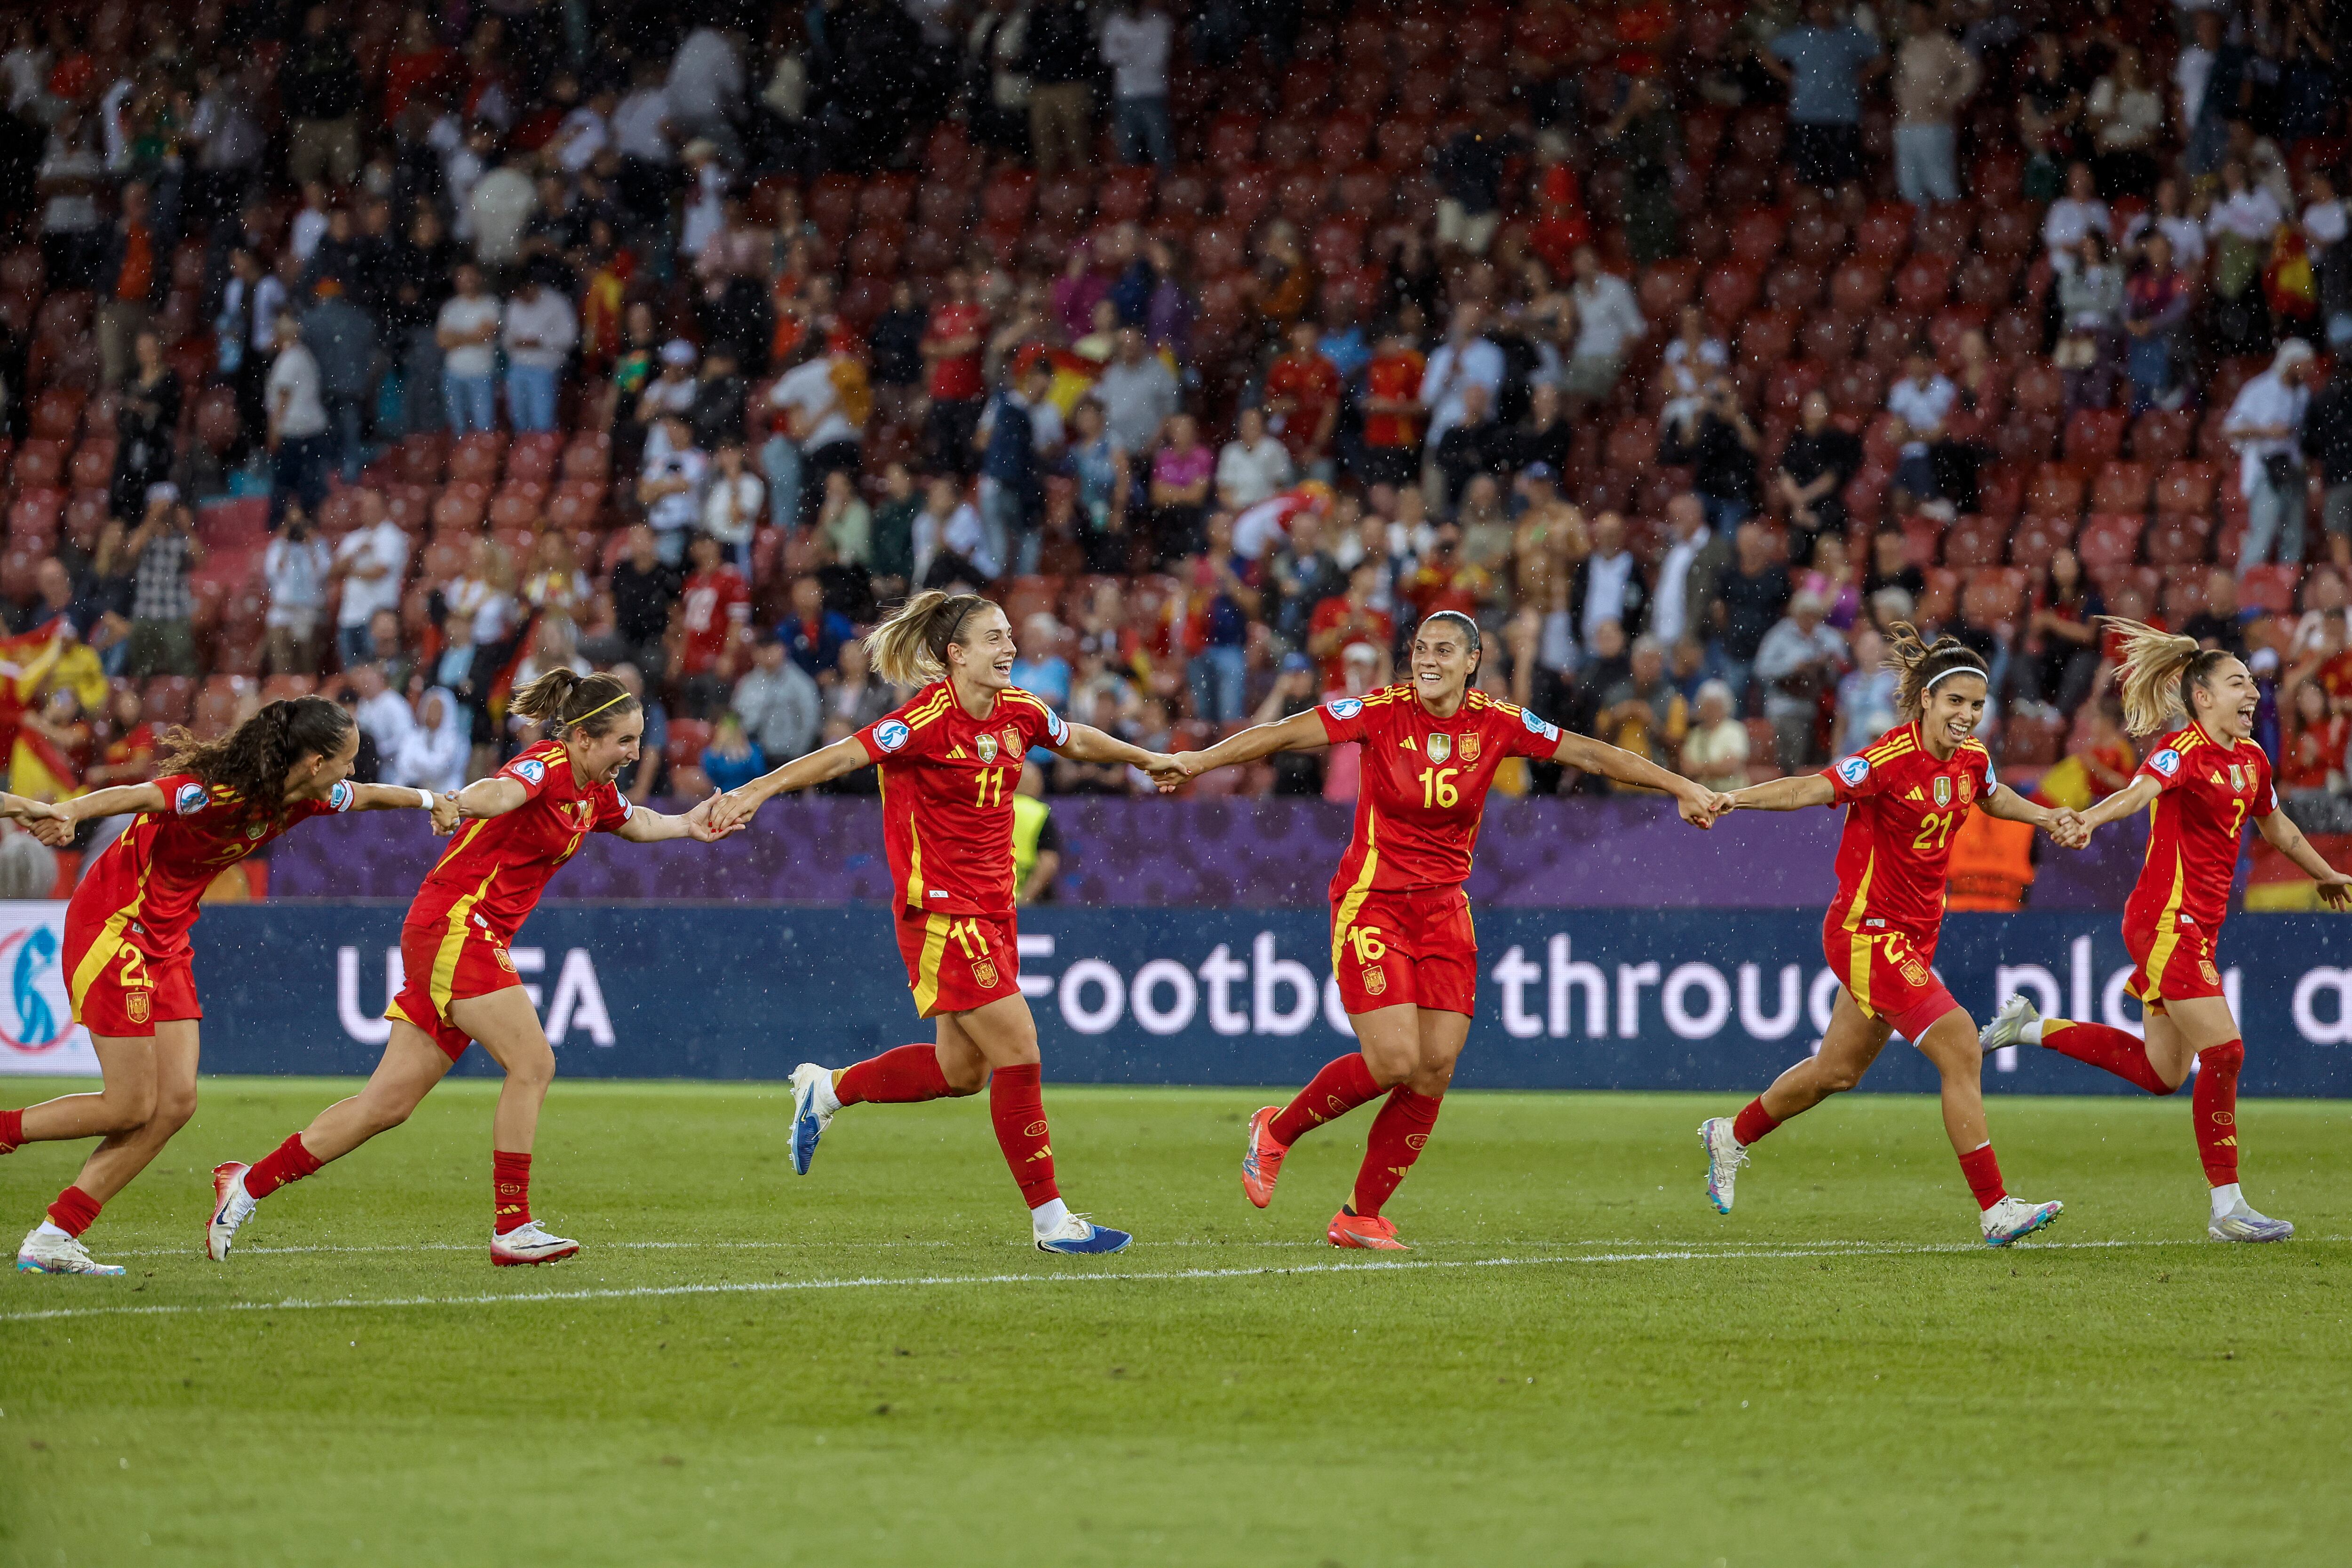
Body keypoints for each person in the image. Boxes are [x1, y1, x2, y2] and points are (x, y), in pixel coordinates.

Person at [1168, 612, 1728, 1249]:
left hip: (1444, 910)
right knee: (1395, 1059)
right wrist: (1198, 761)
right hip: (1374, 901)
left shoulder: (1497, 722)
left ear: (1472, 662)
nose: (1426, 659)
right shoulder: (1381, 710)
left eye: (1443, 650)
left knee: (1434, 1067)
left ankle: (1360, 1214)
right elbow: (1286, 733)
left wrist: (1678, 783)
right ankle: (1275, 1131)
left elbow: (1589, 752)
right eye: (1419, 648)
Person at [205, 673, 739, 1268]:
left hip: (454, 932)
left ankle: (246, 1184)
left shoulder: (593, 788)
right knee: (534, 1063)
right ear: (584, 737)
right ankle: (512, 1226)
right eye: (624, 741)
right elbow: (503, 791)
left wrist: (687, 825)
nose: (635, 754)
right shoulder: (548, 766)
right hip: (457, 923)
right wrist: (457, 803)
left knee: (386, 1106)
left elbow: (635, 822)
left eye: (638, 741)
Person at [706, 592, 1178, 1255]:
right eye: (993, 638)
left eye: (1010, 635)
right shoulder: (926, 719)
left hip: (995, 910)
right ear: (956, 655)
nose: (1009, 647)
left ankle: (827, 1089)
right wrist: (754, 791)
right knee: (1021, 1049)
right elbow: (841, 756)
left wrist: (1141, 758)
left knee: (963, 1073)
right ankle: (1052, 1222)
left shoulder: (1020, 711)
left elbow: (1076, 740)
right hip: (942, 912)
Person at [4, 698, 445, 1275]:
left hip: (167, 938)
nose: (352, 771)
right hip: (116, 927)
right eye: (347, 760)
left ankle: (56, 1235)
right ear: (314, 761)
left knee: (176, 1103)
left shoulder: (307, 798)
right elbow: (140, 794)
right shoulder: (218, 793)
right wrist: (70, 813)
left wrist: (435, 801)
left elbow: (368, 796)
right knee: (130, 1104)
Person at [1697, 627, 2080, 1246]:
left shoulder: (1971, 760)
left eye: (1976, 705)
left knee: (1835, 1072)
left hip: (1915, 936)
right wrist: (1730, 799)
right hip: (1866, 932)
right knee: (1959, 1042)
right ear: (1926, 700)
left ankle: (1730, 1134)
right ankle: (1996, 1208)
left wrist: (2044, 814)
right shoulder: (1887, 759)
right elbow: (1808, 787)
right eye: (1955, 701)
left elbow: (1992, 794)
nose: (1967, 715)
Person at [1996, 625, 2352, 1238]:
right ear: (2202, 697)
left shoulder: (2251, 760)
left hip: (2199, 929)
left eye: (2251, 684)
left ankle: (2029, 1025)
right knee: (2227, 1050)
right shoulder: (2182, 750)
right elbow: (2138, 795)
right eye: (2237, 682)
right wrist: (2087, 817)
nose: (2251, 693)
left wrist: (2325, 873)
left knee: (2161, 1074)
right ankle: (2227, 1207)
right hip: (2165, 921)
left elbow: (2279, 829)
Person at [2226, 339, 2314, 570]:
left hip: (2294, 469)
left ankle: (2288, 590)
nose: (2308, 371)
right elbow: (2230, 429)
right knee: (2262, 536)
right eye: (2304, 365)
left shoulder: (2304, 394)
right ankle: (2247, 594)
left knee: (2294, 538)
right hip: (2265, 470)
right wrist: (2267, 431)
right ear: (2290, 364)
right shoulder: (2259, 389)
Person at [1891, 0, 1977, 207]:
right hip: (1906, 125)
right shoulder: (1907, 46)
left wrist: (1949, 98)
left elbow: (1971, 72)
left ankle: (1950, 232)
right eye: (1911, 15)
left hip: (1934, 125)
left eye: (1918, 15)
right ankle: (1920, 236)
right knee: (1909, 188)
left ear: (1930, 16)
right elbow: (1899, 79)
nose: (1914, 20)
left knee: (1941, 185)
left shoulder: (1944, 44)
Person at [436, 263, 501, 435]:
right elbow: (442, 341)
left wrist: (456, 337)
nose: (468, 282)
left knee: (484, 425)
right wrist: (471, 335)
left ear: (479, 278)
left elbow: (485, 336)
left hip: (481, 372)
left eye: (471, 277)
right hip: (454, 372)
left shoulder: (491, 303)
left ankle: (483, 460)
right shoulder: (450, 307)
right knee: (458, 425)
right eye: (463, 278)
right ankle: (462, 461)